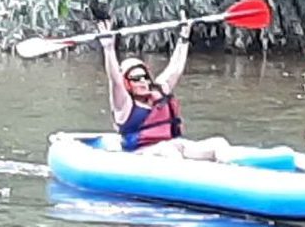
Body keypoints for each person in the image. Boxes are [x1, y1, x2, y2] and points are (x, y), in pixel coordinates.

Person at [98, 19, 232, 161]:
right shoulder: (123, 104)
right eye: (136, 78)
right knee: (168, 152)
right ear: (127, 82)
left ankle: (232, 174)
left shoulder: (158, 91)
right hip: (140, 154)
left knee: (218, 143)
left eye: (144, 77)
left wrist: (184, 37)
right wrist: (108, 48)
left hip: (171, 145)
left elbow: (175, 68)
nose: (143, 81)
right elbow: (115, 80)